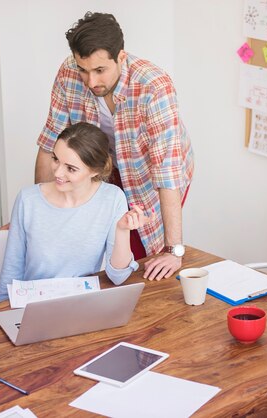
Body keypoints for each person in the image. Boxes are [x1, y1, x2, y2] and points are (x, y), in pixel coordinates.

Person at [34, 12, 194, 282]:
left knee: (143, 256)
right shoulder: (68, 72)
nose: (91, 81)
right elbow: (51, 142)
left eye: (100, 70)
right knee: (94, 246)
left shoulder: (154, 87)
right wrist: (42, 214)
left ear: (121, 57)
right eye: (83, 70)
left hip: (151, 173)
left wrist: (173, 250)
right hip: (104, 167)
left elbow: (167, 171)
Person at [0, 122, 151, 302]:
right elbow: (12, 270)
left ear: (95, 171)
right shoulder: (27, 199)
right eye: (55, 159)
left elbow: (118, 277)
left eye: (71, 168)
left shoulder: (112, 198)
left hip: (83, 305)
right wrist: (0, 312)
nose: (58, 173)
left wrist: (122, 230)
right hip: (33, 305)